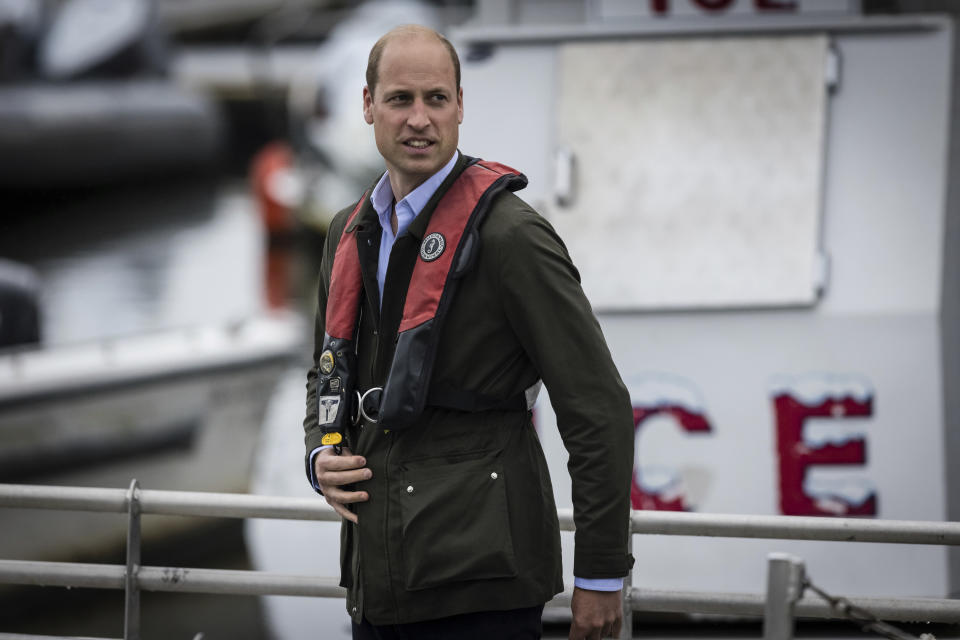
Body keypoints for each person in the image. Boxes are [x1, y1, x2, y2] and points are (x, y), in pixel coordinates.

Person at [303, 24, 635, 640]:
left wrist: (602, 574)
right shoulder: (346, 234)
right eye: (400, 99)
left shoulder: (512, 236)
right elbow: (324, 375)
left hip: (483, 583)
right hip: (378, 585)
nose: (419, 119)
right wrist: (319, 453)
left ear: (461, 106)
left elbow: (598, 407)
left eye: (436, 98)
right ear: (368, 105)